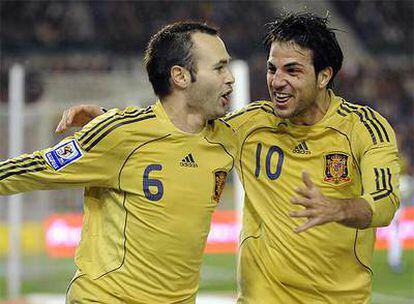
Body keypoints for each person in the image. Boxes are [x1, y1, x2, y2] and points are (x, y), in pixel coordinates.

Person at [55, 12, 400, 304]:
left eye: (292, 71)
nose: (277, 82)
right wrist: (111, 118)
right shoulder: (248, 125)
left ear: (324, 76)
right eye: (271, 69)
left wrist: (338, 208)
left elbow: (384, 203)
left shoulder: (364, 129)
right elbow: (178, 128)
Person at [0, 22, 236, 303]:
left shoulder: (227, 138)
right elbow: (35, 168)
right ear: (180, 76)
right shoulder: (119, 134)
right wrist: (108, 123)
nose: (230, 78)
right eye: (219, 68)